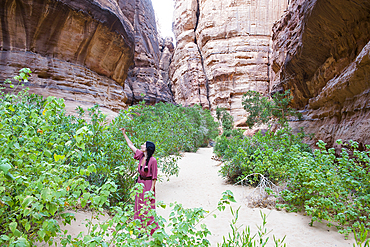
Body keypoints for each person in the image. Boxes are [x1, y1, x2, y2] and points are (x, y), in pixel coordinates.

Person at [120, 128, 159, 235]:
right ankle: (139, 229)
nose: (141, 145)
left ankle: (150, 230)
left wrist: (151, 191)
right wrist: (124, 134)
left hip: (148, 185)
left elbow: (154, 177)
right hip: (140, 184)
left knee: (148, 206)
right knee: (138, 205)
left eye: (143, 144)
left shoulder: (153, 160)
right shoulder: (141, 156)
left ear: (147, 148)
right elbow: (131, 145)